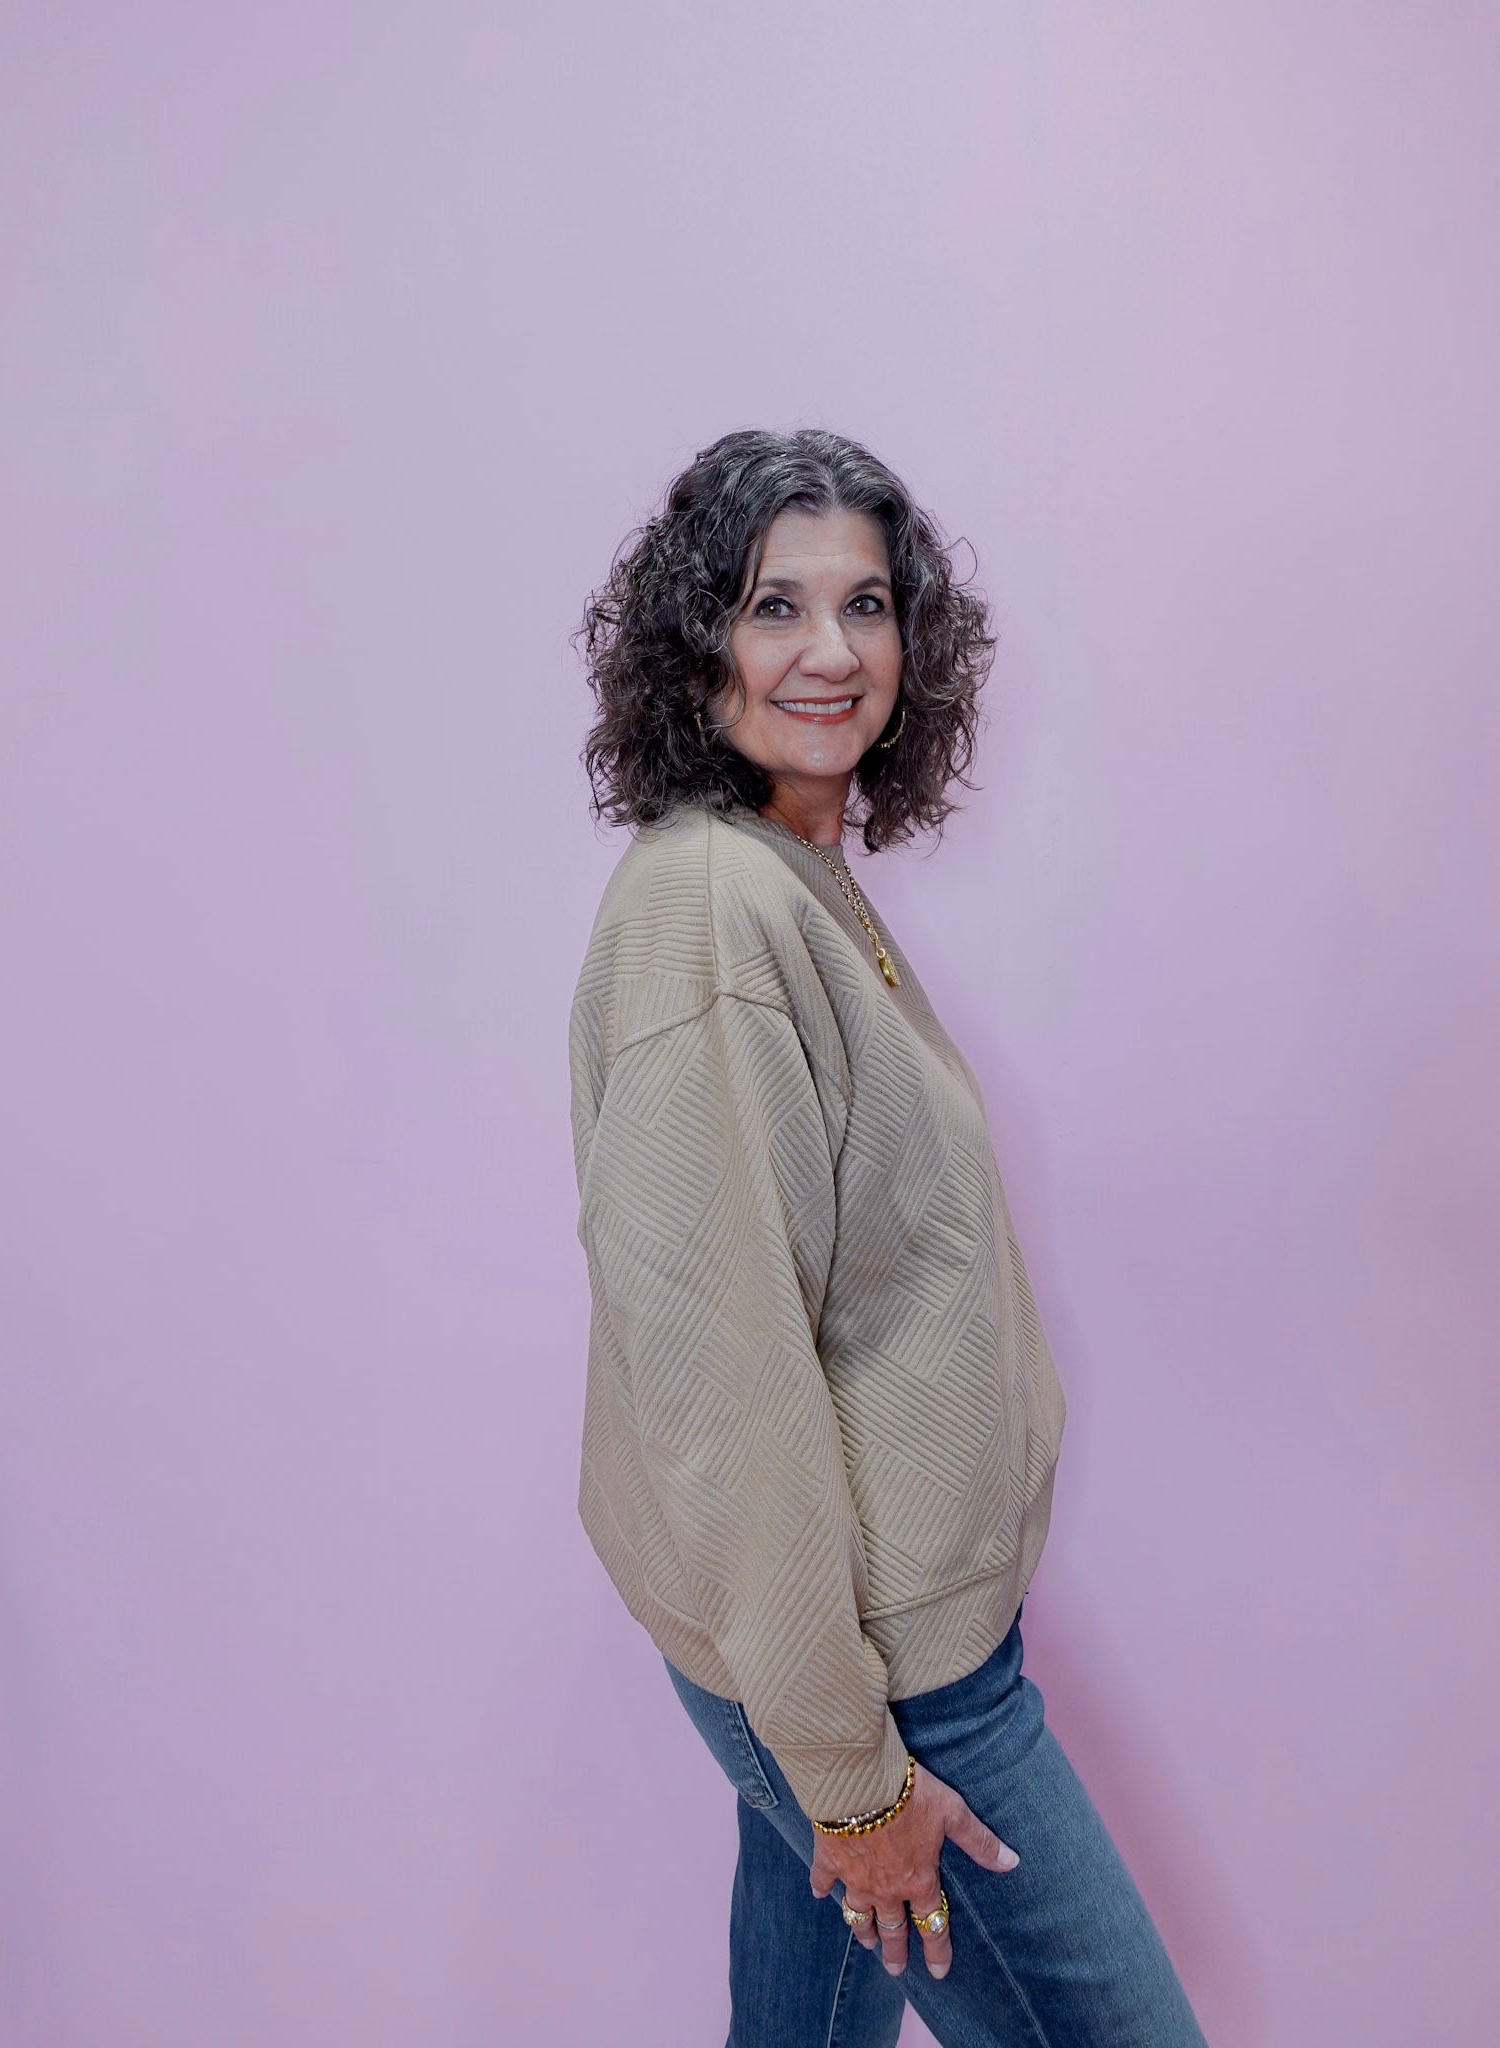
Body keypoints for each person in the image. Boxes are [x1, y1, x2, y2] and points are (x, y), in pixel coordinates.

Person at [566, 427, 1208, 2048]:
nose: (832, 652)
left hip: (853, 1652)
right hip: (891, 1692)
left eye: (866, 604)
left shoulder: (791, 873)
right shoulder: (715, 919)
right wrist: (851, 1777)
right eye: (774, 606)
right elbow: (723, 1383)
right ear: (697, 642)